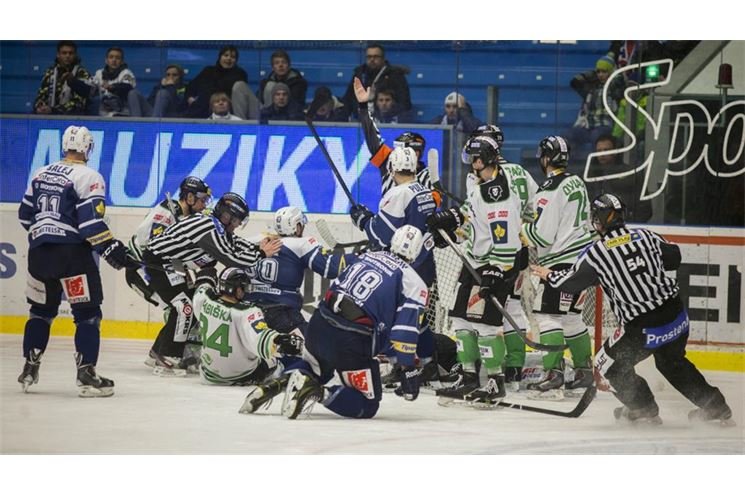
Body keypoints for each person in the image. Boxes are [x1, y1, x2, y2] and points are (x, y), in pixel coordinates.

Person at [532, 193, 734, 426]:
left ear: (598, 220)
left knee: (605, 363)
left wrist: (549, 274)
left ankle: (643, 407)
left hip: (644, 328)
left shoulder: (597, 252)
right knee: (672, 362)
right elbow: (674, 257)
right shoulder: (645, 235)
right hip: (677, 317)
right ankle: (717, 407)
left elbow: (570, 283)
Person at [240, 225, 429, 419]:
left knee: (317, 369)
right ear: (417, 252)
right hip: (352, 338)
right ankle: (317, 392)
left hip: (319, 322)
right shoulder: (414, 283)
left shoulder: (365, 257)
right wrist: (408, 369)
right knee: (368, 405)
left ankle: (275, 384)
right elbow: (403, 334)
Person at [17, 125, 138, 397]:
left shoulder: (40, 172)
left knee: (40, 312)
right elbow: (91, 225)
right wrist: (111, 249)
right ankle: (86, 374)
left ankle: (29, 367)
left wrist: (46, 234)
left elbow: (25, 216)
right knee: (88, 315)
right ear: (88, 148)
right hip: (72, 256)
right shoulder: (89, 176)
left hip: (39, 254)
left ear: (64, 146)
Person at [425, 135, 530, 406]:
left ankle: (495, 381)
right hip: (475, 264)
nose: (471, 164)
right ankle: (469, 378)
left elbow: (505, 239)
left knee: (485, 324)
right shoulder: (481, 188)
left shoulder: (498, 193)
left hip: (495, 265)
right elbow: (473, 226)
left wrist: (496, 271)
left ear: (483, 159)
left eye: (473, 158)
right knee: (460, 320)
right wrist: (452, 229)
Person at [141, 192, 283, 375]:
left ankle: (157, 352)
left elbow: (234, 243)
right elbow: (230, 257)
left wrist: (258, 247)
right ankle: (167, 355)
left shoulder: (214, 224)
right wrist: (262, 254)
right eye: (237, 221)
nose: (238, 225)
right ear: (227, 216)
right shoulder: (207, 226)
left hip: (171, 263)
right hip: (158, 263)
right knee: (185, 308)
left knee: (186, 305)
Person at [519, 135, 595, 399]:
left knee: (547, 315)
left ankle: (554, 375)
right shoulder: (577, 182)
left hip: (560, 264)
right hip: (582, 262)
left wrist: (523, 228)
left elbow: (543, 236)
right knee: (572, 317)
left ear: (545, 158)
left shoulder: (550, 189)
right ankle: (585, 372)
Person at [469, 124, 537, 392]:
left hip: (493, 254)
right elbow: (535, 206)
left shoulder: (481, 177)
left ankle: (476, 367)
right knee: (515, 306)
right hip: (519, 250)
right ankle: (514, 368)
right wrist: (523, 230)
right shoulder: (519, 171)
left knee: (480, 309)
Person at [245, 206, 353, 334]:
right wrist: (357, 258)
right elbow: (329, 269)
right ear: (297, 227)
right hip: (281, 314)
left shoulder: (253, 241)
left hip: (249, 313)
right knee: (312, 348)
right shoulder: (301, 244)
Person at [194, 267, 304, 386]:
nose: (245, 291)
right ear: (237, 289)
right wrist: (282, 340)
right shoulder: (246, 312)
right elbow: (261, 339)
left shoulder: (205, 299)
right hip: (238, 376)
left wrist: (206, 278)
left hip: (207, 374)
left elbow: (202, 287)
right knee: (273, 361)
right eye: (243, 287)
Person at [126, 176, 211, 309]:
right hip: (139, 269)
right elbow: (151, 249)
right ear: (190, 197)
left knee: (186, 304)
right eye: (202, 200)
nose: (204, 205)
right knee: (176, 309)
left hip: (159, 268)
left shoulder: (185, 218)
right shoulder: (166, 213)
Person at [352, 76, 437, 201]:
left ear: (417, 153)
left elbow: (433, 206)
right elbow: (373, 139)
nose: (396, 153)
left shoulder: (428, 176)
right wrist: (363, 107)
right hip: (388, 219)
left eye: (401, 150)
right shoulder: (389, 162)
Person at [566, 55, 625, 156]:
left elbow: (620, 81)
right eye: (598, 72)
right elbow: (574, 82)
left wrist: (612, 75)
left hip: (605, 125)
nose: (600, 75)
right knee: (567, 136)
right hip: (587, 126)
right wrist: (593, 74)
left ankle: (595, 167)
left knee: (597, 137)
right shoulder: (591, 89)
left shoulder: (614, 88)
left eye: (604, 72)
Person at [585, 134, 653, 222]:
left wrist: (628, 225)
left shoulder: (630, 174)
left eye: (606, 150)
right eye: (599, 150)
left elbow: (645, 208)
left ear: (615, 151)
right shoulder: (590, 176)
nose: (602, 154)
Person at [338, 43, 412, 121]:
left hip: (387, 120)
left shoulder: (395, 75)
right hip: (362, 120)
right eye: (369, 57)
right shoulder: (360, 73)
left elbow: (404, 103)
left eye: (376, 57)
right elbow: (349, 98)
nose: (372, 60)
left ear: (383, 58)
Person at [185, 45, 250, 119]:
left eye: (232, 57)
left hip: (227, 111)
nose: (229, 58)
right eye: (226, 55)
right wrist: (190, 98)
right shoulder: (208, 71)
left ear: (236, 60)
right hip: (202, 108)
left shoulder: (240, 74)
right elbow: (191, 86)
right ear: (220, 57)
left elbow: (240, 97)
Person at [33, 41, 92, 116]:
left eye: (71, 53)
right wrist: (39, 106)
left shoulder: (82, 73)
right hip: (48, 117)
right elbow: (41, 95)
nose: (67, 56)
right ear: (58, 55)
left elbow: (79, 104)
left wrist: (53, 110)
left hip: (73, 118)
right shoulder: (50, 72)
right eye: (64, 53)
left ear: (75, 55)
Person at [89, 47, 137, 116]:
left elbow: (128, 87)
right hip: (103, 115)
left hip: (123, 114)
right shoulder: (99, 73)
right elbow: (89, 89)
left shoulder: (126, 73)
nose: (114, 60)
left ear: (122, 61)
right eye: (111, 57)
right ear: (106, 60)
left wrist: (112, 87)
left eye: (117, 58)